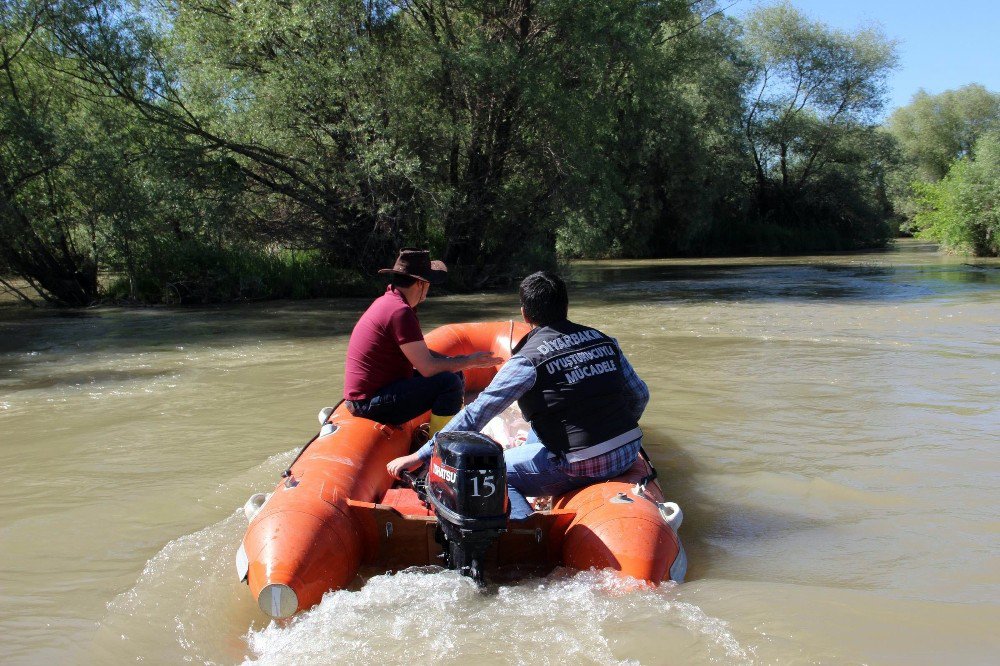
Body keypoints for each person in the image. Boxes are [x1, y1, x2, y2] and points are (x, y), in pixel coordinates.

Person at [387, 270, 650, 520]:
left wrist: (419, 456)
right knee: (540, 426)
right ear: (566, 306)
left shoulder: (528, 360)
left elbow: (477, 414)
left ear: (525, 314)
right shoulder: (604, 341)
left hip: (582, 463)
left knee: (486, 473)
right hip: (628, 451)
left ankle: (526, 529)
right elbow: (640, 396)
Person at [343, 248, 501, 435]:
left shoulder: (391, 301)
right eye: (429, 283)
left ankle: (447, 431)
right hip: (368, 403)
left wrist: (458, 361)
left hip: (375, 393)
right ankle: (439, 449)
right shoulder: (399, 312)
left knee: (454, 375)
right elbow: (427, 368)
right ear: (420, 283)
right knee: (449, 384)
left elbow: (420, 354)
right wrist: (470, 361)